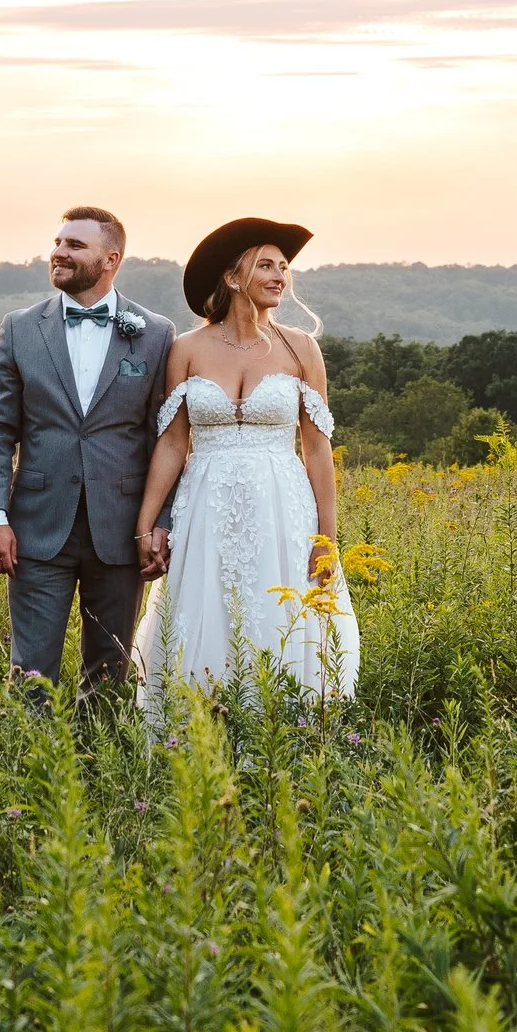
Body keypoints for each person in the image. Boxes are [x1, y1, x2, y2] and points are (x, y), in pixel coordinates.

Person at [132, 217, 359, 702]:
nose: (280, 276)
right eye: (266, 266)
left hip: (281, 506)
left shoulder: (301, 349)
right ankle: (193, 731)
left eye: (283, 267)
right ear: (233, 278)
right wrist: (148, 522)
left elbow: (317, 449)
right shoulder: (186, 349)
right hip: (205, 504)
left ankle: (282, 732)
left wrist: (327, 540)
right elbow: (173, 443)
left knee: (277, 611)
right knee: (203, 611)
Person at [0, 207, 177, 697]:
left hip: (123, 531)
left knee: (109, 676)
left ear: (111, 259)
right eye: (59, 242)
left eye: (75, 245)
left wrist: (162, 522)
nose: (59, 252)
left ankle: (95, 771)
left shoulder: (155, 334)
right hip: (36, 530)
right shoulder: (20, 328)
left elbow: (165, 439)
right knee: (31, 676)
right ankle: (32, 768)